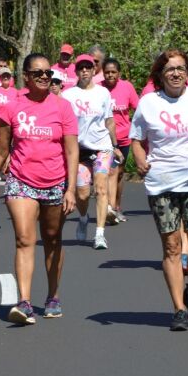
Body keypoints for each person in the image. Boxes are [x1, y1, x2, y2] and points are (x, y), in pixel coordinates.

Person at [0, 53, 78, 325]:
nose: (45, 77)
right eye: (38, 73)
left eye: (48, 73)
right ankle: (24, 302)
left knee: (53, 238)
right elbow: (1, 149)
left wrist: (70, 188)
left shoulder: (62, 107)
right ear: (26, 76)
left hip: (55, 181)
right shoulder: (12, 107)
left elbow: (71, 150)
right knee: (24, 238)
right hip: (21, 180)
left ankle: (53, 295)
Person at [129, 49, 188, 331]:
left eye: (181, 68)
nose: (176, 73)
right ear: (160, 74)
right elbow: (136, 139)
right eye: (170, 69)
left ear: (187, 73)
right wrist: (140, 159)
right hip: (161, 183)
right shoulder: (148, 103)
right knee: (171, 247)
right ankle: (179, 309)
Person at [62, 54, 124, 248]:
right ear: (77, 71)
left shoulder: (103, 93)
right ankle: (83, 218)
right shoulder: (68, 95)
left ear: (94, 70)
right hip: (78, 148)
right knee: (82, 193)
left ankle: (99, 233)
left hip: (102, 147)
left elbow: (109, 121)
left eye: (88, 67)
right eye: (81, 68)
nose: (85, 71)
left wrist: (115, 146)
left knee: (101, 188)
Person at [101, 57, 139, 223]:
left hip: (123, 136)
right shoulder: (98, 89)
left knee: (119, 173)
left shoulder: (127, 87)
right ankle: (107, 207)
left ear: (119, 73)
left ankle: (116, 206)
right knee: (109, 172)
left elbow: (137, 109)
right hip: (103, 138)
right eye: (107, 72)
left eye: (113, 72)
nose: (110, 75)